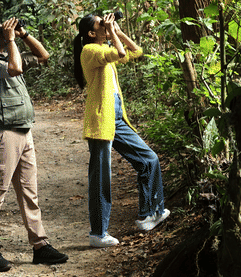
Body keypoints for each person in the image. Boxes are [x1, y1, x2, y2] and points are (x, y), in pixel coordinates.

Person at [0, 17, 69, 271]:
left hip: (24, 132)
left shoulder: (9, 52)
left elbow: (44, 55)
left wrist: (23, 34)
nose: (5, 32)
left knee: (29, 191)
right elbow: (14, 68)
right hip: (3, 134)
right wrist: (12, 40)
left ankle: (40, 245)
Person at [73, 12, 170, 248]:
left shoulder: (103, 48)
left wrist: (115, 29)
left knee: (149, 159)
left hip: (116, 119)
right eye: (101, 24)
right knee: (101, 179)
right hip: (100, 121)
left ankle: (148, 215)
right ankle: (98, 233)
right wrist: (113, 33)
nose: (106, 25)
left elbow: (136, 51)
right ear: (91, 33)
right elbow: (121, 52)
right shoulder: (91, 51)